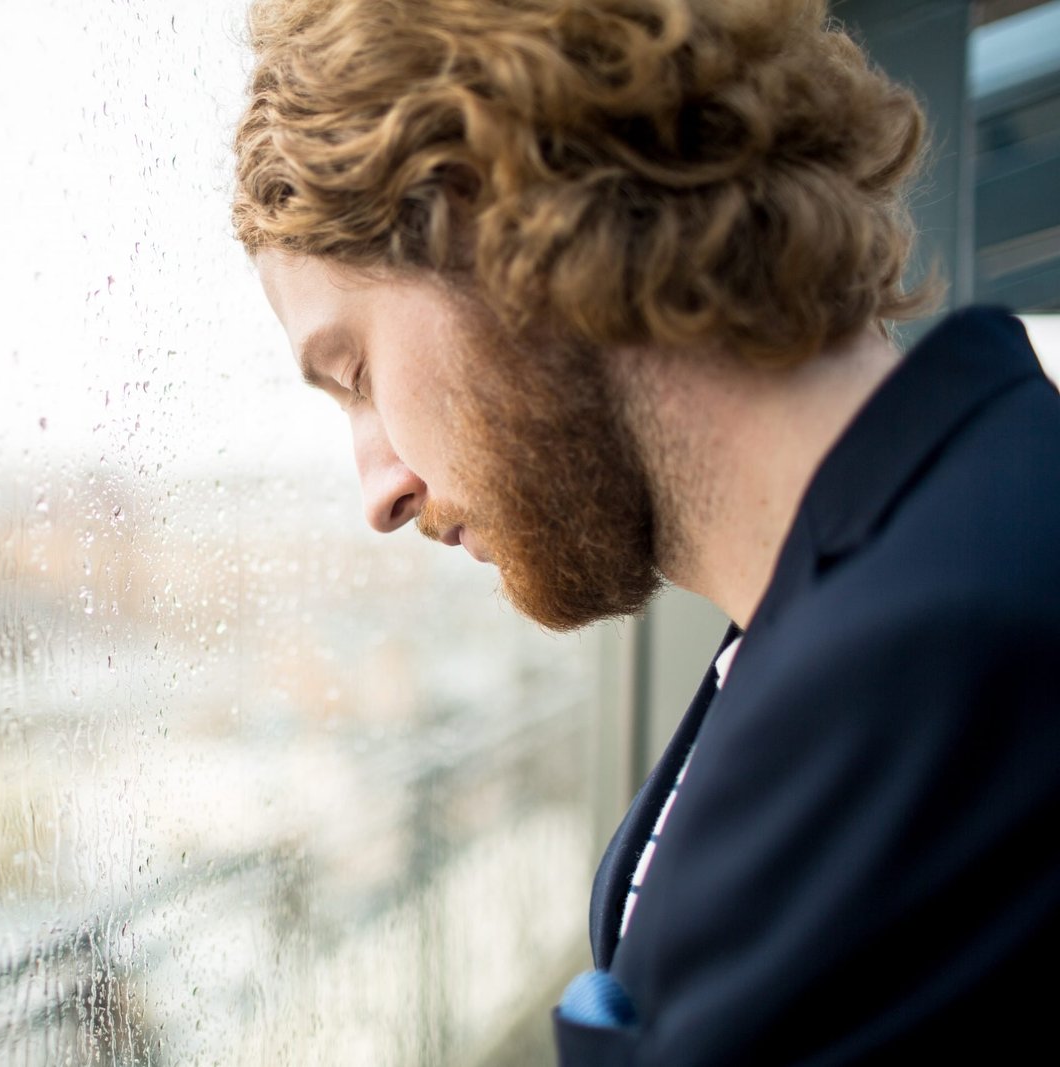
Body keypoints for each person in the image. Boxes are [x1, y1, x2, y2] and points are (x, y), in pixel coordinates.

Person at [231, 0, 1060, 1062]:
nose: (379, 489)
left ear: (499, 215)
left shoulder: (937, 661)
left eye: (355, 373)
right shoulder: (902, 563)